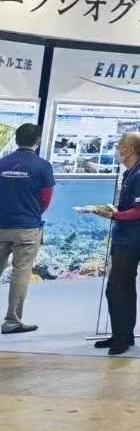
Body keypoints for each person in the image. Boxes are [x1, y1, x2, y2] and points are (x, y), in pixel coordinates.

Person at [93, 131, 140, 355]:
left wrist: (114, 215)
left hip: (132, 239)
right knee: (123, 286)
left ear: (129, 149)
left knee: (117, 287)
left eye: (120, 145)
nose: (117, 149)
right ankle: (123, 334)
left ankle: (121, 337)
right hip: (125, 236)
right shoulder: (132, 172)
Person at [0, 122, 53, 335]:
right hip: (28, 228)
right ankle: (12, 321)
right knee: (20, 273)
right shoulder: (43, 166)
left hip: (1, 224)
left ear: (16, 139)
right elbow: (46, 199)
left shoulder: (2, 163)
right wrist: (32, 212)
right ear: (37, 141)